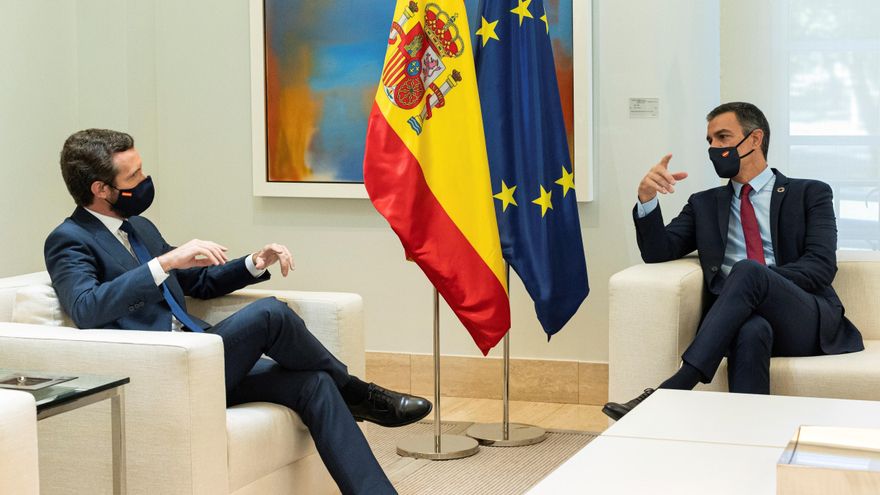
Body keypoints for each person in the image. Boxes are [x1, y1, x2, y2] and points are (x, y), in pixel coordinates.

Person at [45, 128, 431, 494]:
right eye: (135, 175)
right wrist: (165, 264)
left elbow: (197, 284)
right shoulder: (69, 239)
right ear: (101, 189)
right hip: (164, 371)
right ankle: (360, 393)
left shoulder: (138, 226)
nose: (145, 180)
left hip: (204, 359)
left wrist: (253, 262)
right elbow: (85, 308)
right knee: (269, 314)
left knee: (314, 382)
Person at [603, 102, 864, 420]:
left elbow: (820, 267)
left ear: (755, 139)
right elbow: (658, 252)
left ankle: (676, 387)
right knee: (750, 330)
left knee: (749, 271)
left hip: (804, 316)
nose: (714, 147)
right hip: (739, 318)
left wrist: (762, 282)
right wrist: (646, 199)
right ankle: (747, 435)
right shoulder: (704, 204)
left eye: (723, 137)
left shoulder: (810, 193)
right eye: (710, 141)